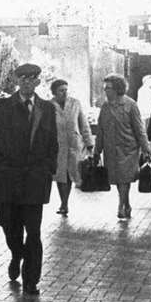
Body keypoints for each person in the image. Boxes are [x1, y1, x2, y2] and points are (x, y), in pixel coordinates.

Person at [0, 63, 58, 296]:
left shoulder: (47, 109)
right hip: (7, 180)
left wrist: (48, 169)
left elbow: (52, 142)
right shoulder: (1, 107)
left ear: (37, 82)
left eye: (31, 78)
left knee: (33, 232)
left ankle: (31, 279)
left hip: (35, 180)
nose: (26, 82)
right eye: (22, 78)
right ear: (16, 80)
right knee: (9, 227)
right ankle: (16, 254)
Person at [93, 74, 151, 220]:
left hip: (128, 149)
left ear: (118, 89)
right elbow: (100, 130)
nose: (105, 91)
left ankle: (122, 205)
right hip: (111, 149)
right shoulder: (105, 106)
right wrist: (97, 150)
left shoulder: (130, 105)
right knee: (118, 179)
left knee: (124, 178)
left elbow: (140, 129)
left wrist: (147, 149)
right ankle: (126, 203)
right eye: (105, 88)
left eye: (108, 88)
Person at [48, 78, 92, 216]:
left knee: (71, 173)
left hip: (74, 144)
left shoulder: (75, 103)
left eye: (66, 90)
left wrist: (89, 142)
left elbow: (83, 124)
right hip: (57, 146)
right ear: (54, 92)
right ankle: (63, 203)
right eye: (61, 90)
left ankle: (65, 202)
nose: (65, 93)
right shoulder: (48, 106)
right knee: (60, 174)